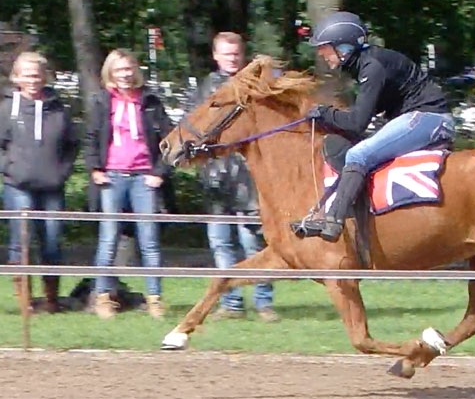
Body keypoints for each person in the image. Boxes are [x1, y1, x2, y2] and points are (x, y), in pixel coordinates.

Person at [294, 11, 455, 242]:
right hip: (421, 118)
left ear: (344, 47)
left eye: (325, 47)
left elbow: (357, 123)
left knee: (358, 154)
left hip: (429, 118)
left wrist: (324, 112)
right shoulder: (367, 64)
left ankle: (333, 220)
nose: (321, 53)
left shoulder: (373, 67)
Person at [191, 32, 279, 322]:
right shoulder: (206, 88)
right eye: (225, 53)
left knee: (254, 245)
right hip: (216, 182)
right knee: (221, 245)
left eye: (235, 53)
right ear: (215, 56)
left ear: (242, 55)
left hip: (250, 181)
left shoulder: (256, 87)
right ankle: (231, 304)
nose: (231, 58)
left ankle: (264, 303)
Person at [84, 48, 173, 319]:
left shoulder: (149, 100)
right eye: (119, 69)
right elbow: (90, 138)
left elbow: (170, 139)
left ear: (136, 70)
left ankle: (155, 298)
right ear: (110, 72)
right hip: (113, 175)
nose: (124, 74)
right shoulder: (102, 101)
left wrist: (159, 172)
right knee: (108, 238)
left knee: (149, 240)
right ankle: (102, 297)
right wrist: (95, 169)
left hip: (144, 177)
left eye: (128, 68)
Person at [0, 51, 79, 313]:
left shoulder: (59, 108)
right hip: (18, 186)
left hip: (52, 187)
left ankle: (51, 299)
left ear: (44, 77)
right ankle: (24, 301)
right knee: (20, 241)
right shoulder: (6, 108)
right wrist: (9, 168)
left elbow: (72, 145)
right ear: (17, 77)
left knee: (52, 241)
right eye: (27, 75)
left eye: (37, 75)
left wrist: (62, 172)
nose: (32, 80)